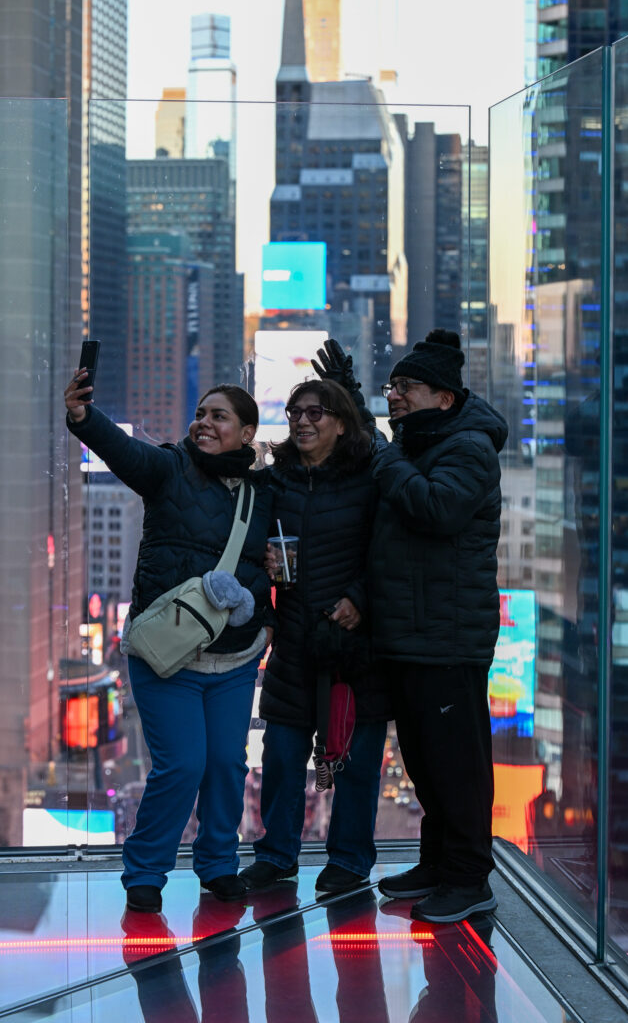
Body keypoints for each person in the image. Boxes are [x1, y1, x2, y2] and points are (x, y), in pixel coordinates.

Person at [316, 330, 508, 923]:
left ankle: (470, 878)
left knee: (457, 765)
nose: (394, 397)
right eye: (391, 387)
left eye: (406, 388)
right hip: (411, 633)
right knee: (425, 763)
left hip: (447, 638)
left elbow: (435, 507)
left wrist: (388, 454)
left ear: (444, 397)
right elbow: (389, 461)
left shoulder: (468, 448)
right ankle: (437, 864)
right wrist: (351, 394)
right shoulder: (418, 443)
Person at [65, 369, 274, 914]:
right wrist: (85, 418)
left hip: (235, 658)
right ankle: (146, 870)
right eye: (201, 413)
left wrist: (267, 619)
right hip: (165, 656)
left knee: (227, 764)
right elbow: (124, 452)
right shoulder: (170, 469)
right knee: (182, 765)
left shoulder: (266, 492)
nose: (203, 423)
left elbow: (273, 561)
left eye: (218, 416)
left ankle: (218, 865)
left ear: (247, 433)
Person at [239, 378, 391, 895]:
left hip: (353, 643)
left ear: (341, 422)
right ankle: (277, 854)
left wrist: (359, 600)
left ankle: (349, 859)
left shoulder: (368, 478)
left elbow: (390, 552)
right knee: (281, 754)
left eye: (316, 412)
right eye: (295, 411)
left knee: (351, 757)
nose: (303, 420)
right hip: (294, 638)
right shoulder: (273, 481)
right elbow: (245, 550)